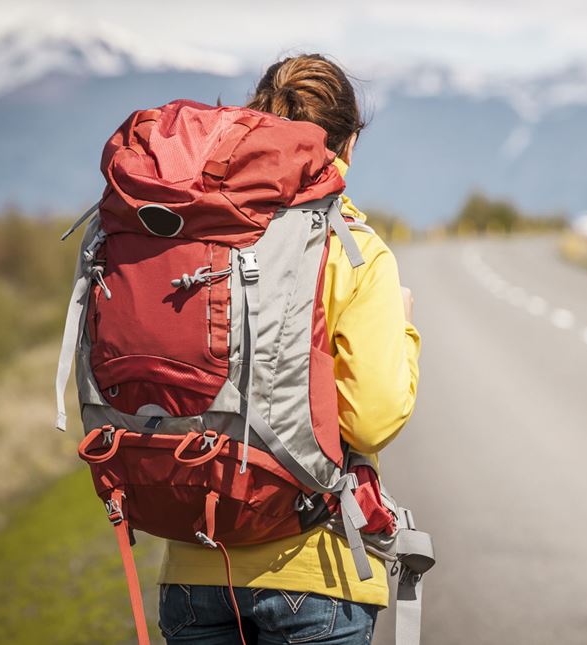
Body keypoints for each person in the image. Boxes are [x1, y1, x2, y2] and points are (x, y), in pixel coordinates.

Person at [156, 54, 421, 645]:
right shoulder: (354, 249)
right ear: (349, 143)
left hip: (195, 567)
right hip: (315, 573)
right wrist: (403, 329)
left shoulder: (200, 237)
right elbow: (372, 421)